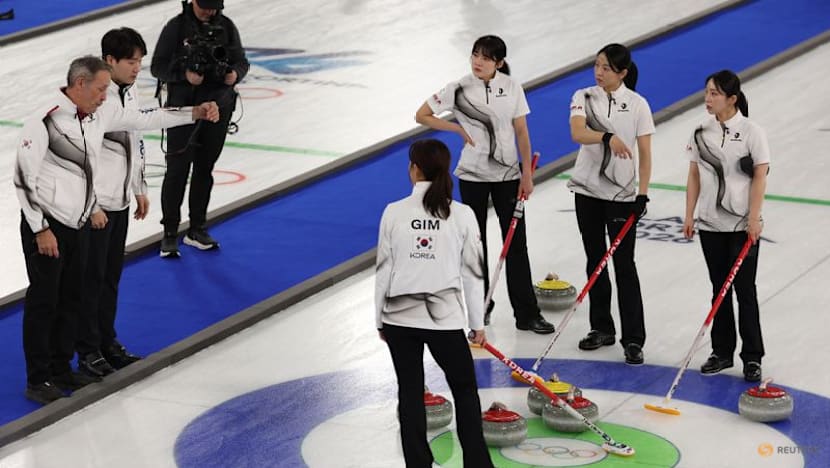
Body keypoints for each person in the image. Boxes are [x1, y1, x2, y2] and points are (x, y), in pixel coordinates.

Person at [14, 55, 219, 404]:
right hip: (49, 225)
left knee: (72, 298)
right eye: (100, 89)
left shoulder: (100, 113)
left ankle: (62, 369)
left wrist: (194, 112)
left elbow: (145, 118)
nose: (104, 96)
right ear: (80, 84)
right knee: (45, 301)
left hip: (79, 223)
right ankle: (38, 378)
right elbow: (23, 178)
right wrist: (39, 229)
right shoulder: (46, 119)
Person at [415, 35, 554, 334]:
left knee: (516, 245)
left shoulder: (512, 87)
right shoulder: (458, 88)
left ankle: (527, 314)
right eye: (475, 55)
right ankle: (480, 309)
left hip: (508, 177)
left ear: (499, 63)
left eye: (486, 57)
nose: (478, 61)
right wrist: (455, 127)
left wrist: (526, 175)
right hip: (472, 176)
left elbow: (521, 132)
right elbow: (421, 115)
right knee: (474, 247)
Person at [375, 139, 494, 468]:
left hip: (399, 318)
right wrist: (477, 324)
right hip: (444, 321)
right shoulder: (463, 215)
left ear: (414, 169)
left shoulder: (393, 212)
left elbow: (383, 271)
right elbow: (473, 275)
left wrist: (379, 319)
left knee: (410, 392)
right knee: (465, 390)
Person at [567, 43, 654, 365]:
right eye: (597, 65)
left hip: (621, 196)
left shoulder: (638, 105)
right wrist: (607, 137)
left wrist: (642, 194)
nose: (599, 72)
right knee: (595, 260)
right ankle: (601, 328)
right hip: (587, 192)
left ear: (622, 73)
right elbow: (578, 133)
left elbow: (645, 153)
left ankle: (633, 339)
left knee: (624, 265)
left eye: (606, 68)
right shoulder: (583, 96)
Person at [74, 28, 152, 379]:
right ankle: (88, 350)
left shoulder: (130, 93)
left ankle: (107, 342)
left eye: (139, 62)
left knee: (110, 278)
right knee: (91, 279)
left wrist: (139, 186)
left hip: (119, 202)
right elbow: (83, 157)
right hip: (97, 207)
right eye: (131, 61)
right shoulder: (96, 100)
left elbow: (136, 141)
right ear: (110, 60)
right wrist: (92, 205)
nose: (137, 68)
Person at [682, 70, 769, 382]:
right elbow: (694, 174)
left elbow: (760, 176)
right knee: (719, 290)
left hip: (743, 225)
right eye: (707, 92)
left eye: (715, 93)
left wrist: (754, 217)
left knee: (745, 290)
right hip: (710, 224)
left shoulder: (752, 132)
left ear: (732, 99)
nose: (708, 98)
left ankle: (752, 357)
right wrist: (689, 214)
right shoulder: (699, 131)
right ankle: (721, 352)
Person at [151, 0, 249, 257]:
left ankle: (197, 228)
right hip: (182, 110)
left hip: (218, 109)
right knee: (177, 171)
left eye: (214, 6)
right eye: (205, 5)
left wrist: (235, 75)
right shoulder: (175, 27)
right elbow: (157, 67)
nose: (210, 11)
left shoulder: (227, 26)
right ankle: (169, 233)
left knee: (205, 169)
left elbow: (241, 62)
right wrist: (184, 75)